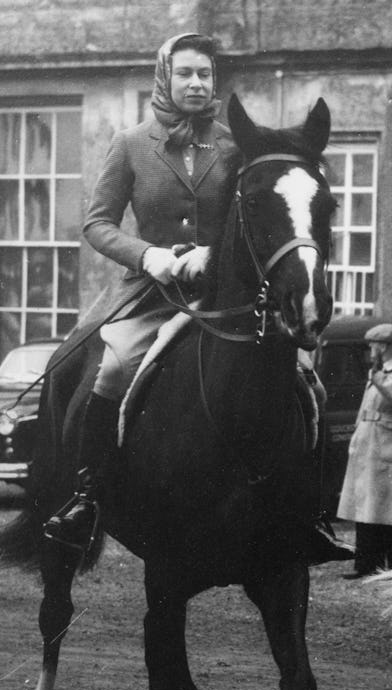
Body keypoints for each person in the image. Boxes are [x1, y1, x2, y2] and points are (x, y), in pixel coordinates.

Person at [44, 32, 351, 565]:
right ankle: (87, 500)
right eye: (185, 73)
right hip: (151, 291)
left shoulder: (239, 143)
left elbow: (257, 215)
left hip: (223, 292)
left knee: (308, 382)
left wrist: (212, 253)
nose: (196, 83)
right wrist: (149, 256)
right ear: (165, 77)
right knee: (113, 367)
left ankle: (309, 514)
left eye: (205, 74)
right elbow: (97, 224)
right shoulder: (131, 143)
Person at [337, 323, 392, 577]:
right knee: (365, 506)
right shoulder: (379, 370)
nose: (370, 350)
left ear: (384, 346)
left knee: (390, 511)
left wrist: (379, 377)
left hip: (388, 445)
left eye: (373, 345)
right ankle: (365, 563)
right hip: (369, 443)